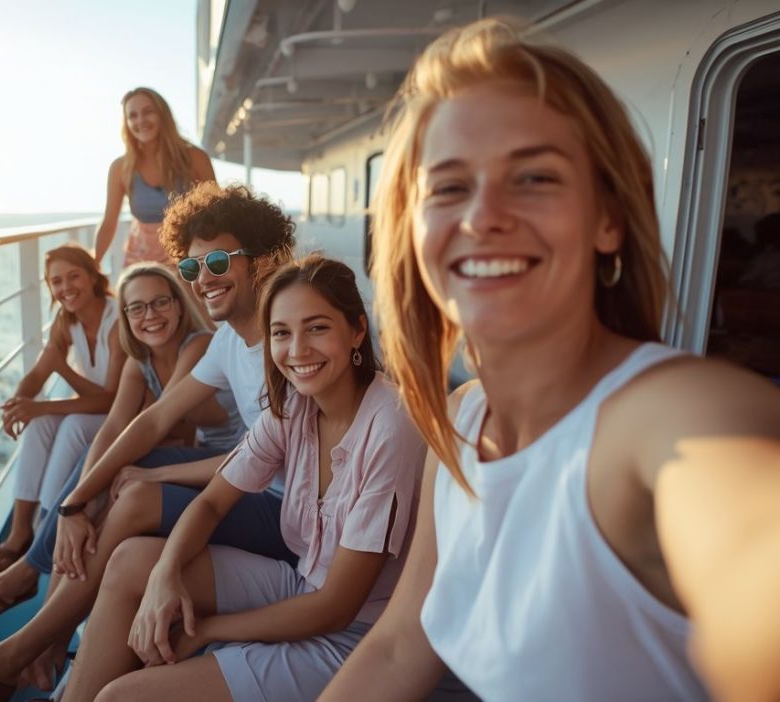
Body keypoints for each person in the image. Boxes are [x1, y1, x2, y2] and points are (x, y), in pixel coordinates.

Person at [320, 18, 780, 702]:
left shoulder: (671, 417)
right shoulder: (461, 416)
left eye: (534, 176)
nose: (483, 216)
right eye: (448, 187)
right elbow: (397, 645)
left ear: (607, 220)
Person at [0, 184, 299, 699]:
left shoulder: (290, 340)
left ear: (263, 257)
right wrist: (73, 504)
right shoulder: (232, 340)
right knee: (119, 480)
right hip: (256, 487)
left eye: (220, 261)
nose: (203, 278)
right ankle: (37, 599)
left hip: (288, 509)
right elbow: (152, 422)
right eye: (192, 267)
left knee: (137, 490)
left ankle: (26, 642)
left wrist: (152, 475)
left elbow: (263, 456)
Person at [56, 255, 425, 701]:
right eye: (281, 333)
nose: (297, 350)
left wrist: (208, 629)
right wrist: (164, 576)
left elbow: (336, 607)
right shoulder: (295, 405)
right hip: (303, 583)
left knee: (121, 697)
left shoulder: (390, 424)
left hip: (360, 636)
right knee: (134, 560)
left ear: (357, 331)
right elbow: (212, 502)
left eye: (318, 328)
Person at [0, 243, 125, 580]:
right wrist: (18, 405)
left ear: (92, 277)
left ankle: (43, 537)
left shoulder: (117, 320)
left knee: (71, 425)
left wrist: (61, 375)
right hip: (99, 410)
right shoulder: (66, 321)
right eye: (56, 281)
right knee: (42, 421)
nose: (65, 288)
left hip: (127, 415)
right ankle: (20, 533)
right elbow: (35, 376)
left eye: (73, 276)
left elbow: (113, 398)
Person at [93, 87, 216, 268]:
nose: (140, 120)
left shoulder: (195, 158)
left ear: (162, 115)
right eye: (132, 116)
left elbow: (217, 212)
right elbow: (109, 223)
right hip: (140, 260)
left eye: (148, 112)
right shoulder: (120, 168)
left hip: (189, 259)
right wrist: (93, 265)